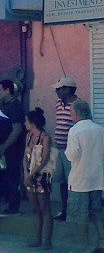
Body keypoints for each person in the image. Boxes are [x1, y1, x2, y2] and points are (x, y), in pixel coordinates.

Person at [65, 99, 104, 253]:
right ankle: (101, 242)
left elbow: (71, 155)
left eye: (71, 112)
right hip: (97, 179)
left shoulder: (75, 131)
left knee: (79, 216)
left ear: (77, 113)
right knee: (96, 213)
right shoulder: (99, 129)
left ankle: (84, 247)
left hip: (80, 180)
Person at [0, 79, 25, 217]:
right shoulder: (4, 105)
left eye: (1, 90)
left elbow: (17, 129)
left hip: (11, 149)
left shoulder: (16, 107)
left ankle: (13, 206)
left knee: (12, 177)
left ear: (8, 90)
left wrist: (4, 146)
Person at [22, 108, 55, 250]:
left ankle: (46, 240)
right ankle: (37, 238)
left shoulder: (45, 138)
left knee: (45, 208)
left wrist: (31, 174)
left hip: (41, 176)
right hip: (30, 175)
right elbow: (25, 156)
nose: (25, 123)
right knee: (35, 208)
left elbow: (44, 159)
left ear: (32, 122)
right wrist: (25, 173)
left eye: (27, 121)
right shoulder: (28, 136)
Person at [51, 76, 79, 221]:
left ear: (68, 89)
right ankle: (64, 210)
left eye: (60, 88)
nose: (57, 91)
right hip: (59, 148)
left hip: (71, 150)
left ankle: (73, 212)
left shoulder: (78, 104)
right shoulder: (58, 104)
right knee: (61, 181)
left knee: (72, 181)